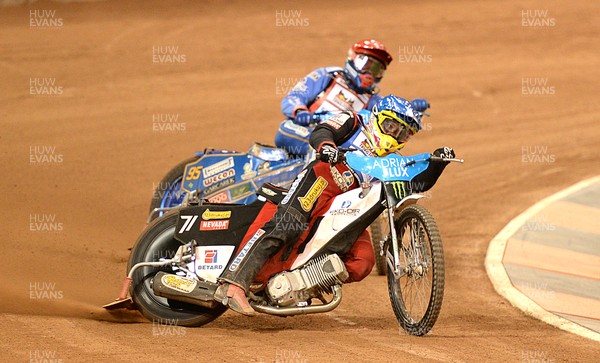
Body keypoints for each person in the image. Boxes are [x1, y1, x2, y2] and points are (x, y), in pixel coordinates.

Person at [215, 95, 455, 316]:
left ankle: (305, 282)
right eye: (392, 126)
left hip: (350, 207)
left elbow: (415, 184)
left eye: (403, 134)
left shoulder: (391, 162)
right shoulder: (355, 120)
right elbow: (321, 132)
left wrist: (437, 164)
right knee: (288, 225)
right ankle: (233, 284)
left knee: (363, 261)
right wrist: (327, 147)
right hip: (320, 181)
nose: (395, 136)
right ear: (379, 118)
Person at [274, 39, 430, 157]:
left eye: (377, 70)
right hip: (306, 129)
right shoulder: (329, 75)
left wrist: (412, 110)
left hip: (340, 143)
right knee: (318, 147)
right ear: (353, 58)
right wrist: (300, 112)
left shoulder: (373, 100)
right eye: (367, 65)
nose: (370, 74)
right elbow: (294, 97)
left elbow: (390, 119)